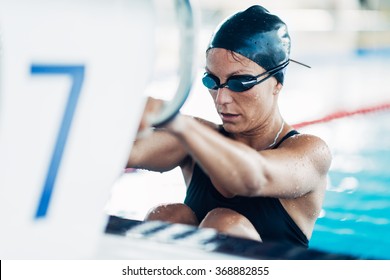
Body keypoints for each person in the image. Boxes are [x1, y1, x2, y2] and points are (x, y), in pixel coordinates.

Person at [127, 5, 331, 248]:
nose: (221, 98)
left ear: (277, 83)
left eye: (240, 82)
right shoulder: (198, 138)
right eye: (211, 80)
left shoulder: (310, 152)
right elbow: (129, 151)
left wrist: (178, 123)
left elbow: (254, 177)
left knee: (223, 223)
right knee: (168, 216)